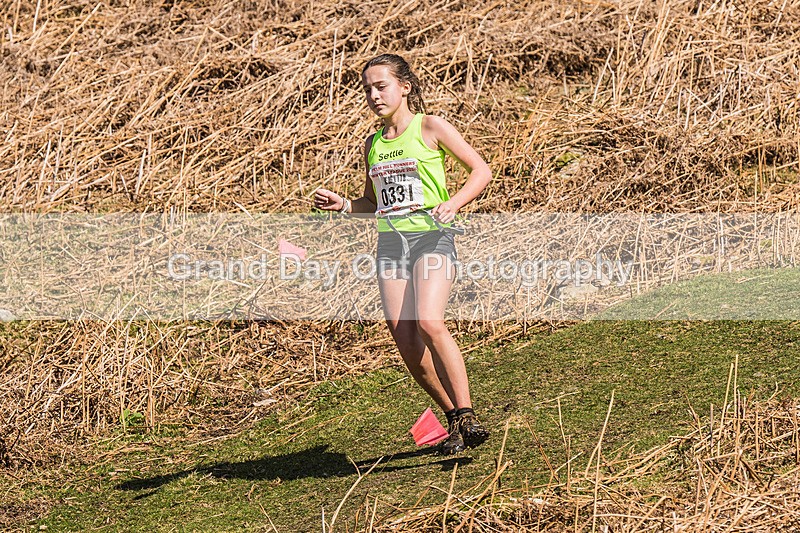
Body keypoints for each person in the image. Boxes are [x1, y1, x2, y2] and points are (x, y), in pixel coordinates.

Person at [314, 53, 492, 455]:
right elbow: (372, 203)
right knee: (406, 342)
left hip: (432, 238)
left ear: (404, 87)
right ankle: (454, 421)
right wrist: (343, 205)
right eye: (368, 89)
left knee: (430, 322)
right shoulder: (373, 144)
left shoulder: (429, 127)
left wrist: (455, 203)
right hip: (392, 246)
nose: (374, 95)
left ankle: (468, 414)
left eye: (382, 86)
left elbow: (481, 170)